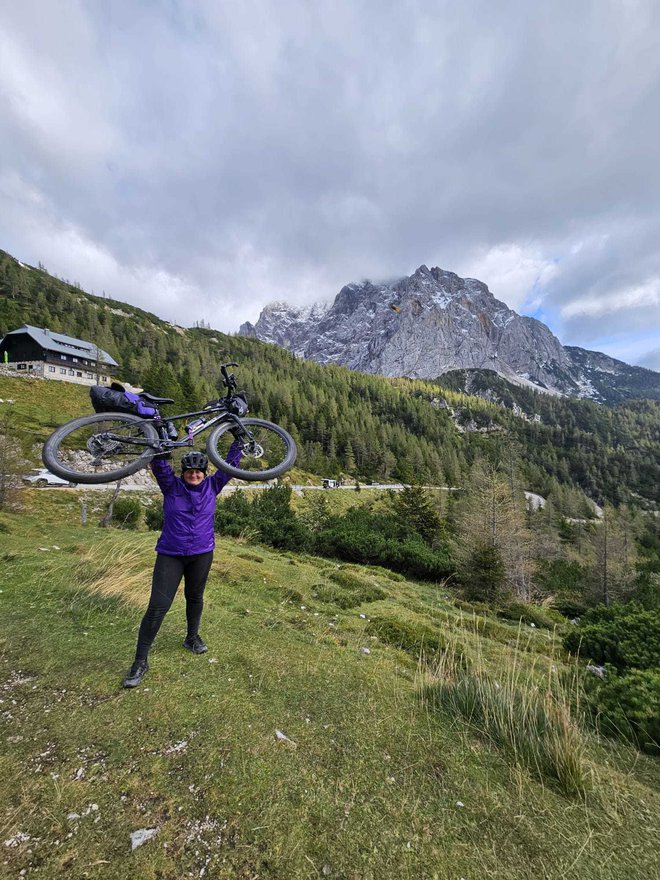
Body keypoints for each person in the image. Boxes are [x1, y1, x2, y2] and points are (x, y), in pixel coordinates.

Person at [123, 445, 241, 688]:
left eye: (199, 471)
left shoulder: (213, 486)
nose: (194, 475)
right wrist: (157, 440)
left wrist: (238, 441)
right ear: (183, 472)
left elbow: (230, 466)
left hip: (202, 554)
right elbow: (159, 465)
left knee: (195, 597)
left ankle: (191, 637)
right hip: (170, 554)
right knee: (158, 606)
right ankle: (140, 661)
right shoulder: (171, 486)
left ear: (205, 473)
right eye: (189, 471)